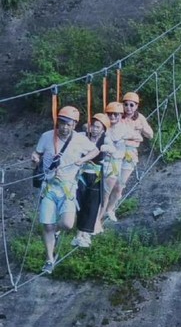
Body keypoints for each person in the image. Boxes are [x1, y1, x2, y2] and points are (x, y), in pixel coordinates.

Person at [30, 106, 99, 273]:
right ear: (57, 123)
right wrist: (35, 157)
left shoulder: (80, 140)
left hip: (68, 186)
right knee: (47, 225)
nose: (64, 127)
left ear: (74, 125)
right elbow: (37, 153)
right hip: (49, 187)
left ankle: (55, 231)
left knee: (67, 224)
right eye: (62, 123)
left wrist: (82, 160)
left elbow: (95, 150)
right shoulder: (46, 136)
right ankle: (49, 259)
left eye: (68, 124)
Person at [73, 113, 116, 248]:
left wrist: (107, 148)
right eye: (93, 126)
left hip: (95, 175)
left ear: (103, 129)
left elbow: (113, 149)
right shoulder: (83, 136)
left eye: (98, 127)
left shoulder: (105, 139)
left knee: (91, 205)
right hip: (81, 174)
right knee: (78, 202)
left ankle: (83, 234)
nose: (95, 129)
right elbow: (72, 138)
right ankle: (76, 232)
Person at [100, 101, 138, 223]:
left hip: (115, 163)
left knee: (115, 188)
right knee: (100, 193)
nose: (112, 117)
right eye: (110, 114)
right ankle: (95, 221)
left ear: (120, 115)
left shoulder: (124, 128)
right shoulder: (103, 126)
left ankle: (105, 213)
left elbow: (140, 137)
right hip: (102, 162)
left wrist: (127, 137)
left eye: (116, 115)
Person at [118, 91, 153, 203]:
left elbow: (150, 135)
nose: (128, 108)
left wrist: (141, 127)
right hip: (116, 151)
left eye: (131, 105)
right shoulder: (118, 115)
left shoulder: (140, 118)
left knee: (120, 183)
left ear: (136, 106)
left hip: (130, 152)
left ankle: (113, 205)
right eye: (126, 104)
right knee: (111, 181)